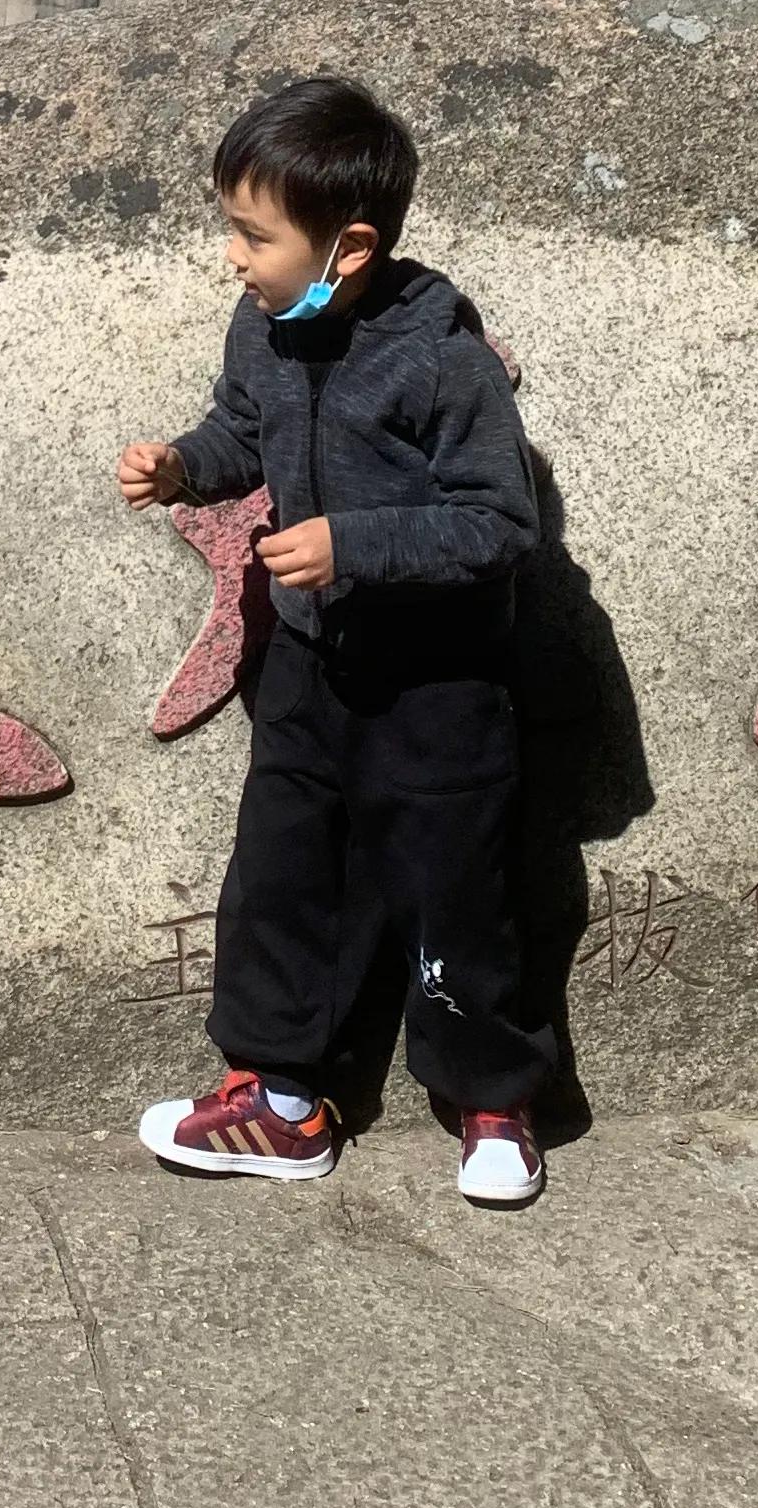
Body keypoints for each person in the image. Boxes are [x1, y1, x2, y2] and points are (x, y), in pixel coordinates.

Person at [120, 74, 554, 1205]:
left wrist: (353, 544)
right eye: (232, 228)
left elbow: (499, 522)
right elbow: (241, 431)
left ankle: (494, 1102)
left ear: (348, 247)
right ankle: (277, 1097)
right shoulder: (266, 326)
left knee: (454, 885)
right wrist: (184, 466)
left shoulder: (439, 357)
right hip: (311, 667)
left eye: (253, 235)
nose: (233, 257)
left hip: (438, 682)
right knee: (279, 872)